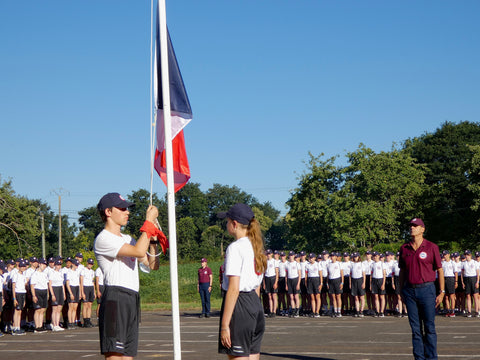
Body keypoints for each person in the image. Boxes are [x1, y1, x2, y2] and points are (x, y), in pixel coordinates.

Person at [94, 192, 161, 359]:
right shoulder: (103, 238)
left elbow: (153, 265)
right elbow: (138, 251)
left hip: (132, 297)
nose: (127, 212)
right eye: (122, 208)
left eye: (127, 209)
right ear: (108, 212)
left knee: (128, 355)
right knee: (114, 355)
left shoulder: (129, 239)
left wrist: (152, 243)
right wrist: (149, 222)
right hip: (115, 298)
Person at [217, 203, 267, 360]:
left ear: (234, 224)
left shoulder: (235, 247)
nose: (226, 225)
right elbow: (257, 287)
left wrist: (225, 325)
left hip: (240, 305)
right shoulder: (256, 246)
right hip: (255, 304)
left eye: (227, 221)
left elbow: (233, 289)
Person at [399, 217, 444, 360]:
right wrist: (400, 291)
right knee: (415, 329)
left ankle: (432, 357)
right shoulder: (404, 248)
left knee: (429, 327)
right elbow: (402, 271)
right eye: (411, 226)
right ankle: (419, 357)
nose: (412, 228)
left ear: (422, 229)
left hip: (427, 290)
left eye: (415, 226)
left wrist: (442, 291)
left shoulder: (432, 247)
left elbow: (439, 270)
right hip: (410, 291)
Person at [30, 258, 49, 333]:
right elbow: (32, 285)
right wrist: (34, 295)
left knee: (42, 310)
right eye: (43, 264)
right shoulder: (35, 274)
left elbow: (46, 284)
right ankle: (36, 326)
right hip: (37, 291)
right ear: (39, 264)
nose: (44, 266)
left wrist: (47, 294)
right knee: (38, 310)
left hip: (44, 291)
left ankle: (40, 325)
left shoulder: (44, 274)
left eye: (45, 264)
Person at [80, 258, 96, 327]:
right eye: (89, 263)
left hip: (91, 287)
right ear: (87, 263)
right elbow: (81, 282)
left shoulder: (92, 271)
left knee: (90, 305)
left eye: (91, 264)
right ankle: (85, 320)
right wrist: (82, 292)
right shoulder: (83, 270)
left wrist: (94, 292)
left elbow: (93, 282)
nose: (90, 265)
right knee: (85, 305)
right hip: (85, 287)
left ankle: (88, 320)